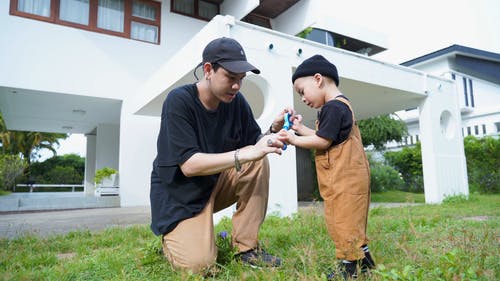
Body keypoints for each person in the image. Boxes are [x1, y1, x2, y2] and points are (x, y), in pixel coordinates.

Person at [149, 37, 289, 273]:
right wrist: (246, 154)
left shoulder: (236, 102)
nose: (237, 86)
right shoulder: (179, 101)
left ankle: (246, 249)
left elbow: (254, 145)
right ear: (208, 70)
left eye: (241, 80)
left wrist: (273, 131)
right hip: (180, 196)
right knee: (199, 265)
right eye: (231, 78)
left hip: (215, 183)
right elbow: (189, 165)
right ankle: (175, 237)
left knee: (257, 161)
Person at [277, 55, 376, 280]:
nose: (302, 98)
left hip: (344, 179)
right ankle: (366, 260)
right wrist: (300, 129)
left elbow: (321, 142)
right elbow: (325, 136)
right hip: (347, 177)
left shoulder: (333, 107)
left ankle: (349, 266)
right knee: (352, 220)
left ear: (318, 79)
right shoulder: (340, 106)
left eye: (302, 90)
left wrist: (292, 140)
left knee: (343, 220)